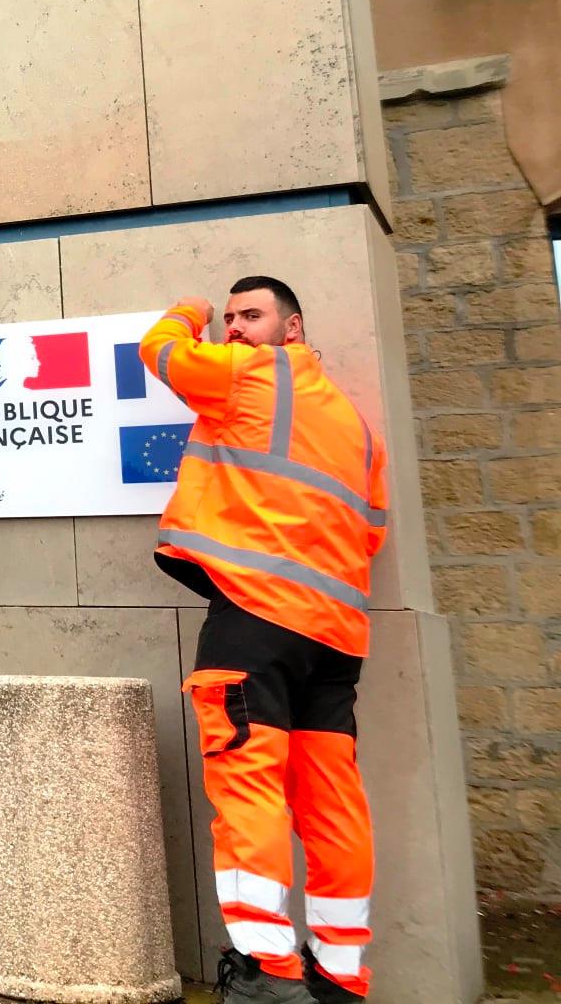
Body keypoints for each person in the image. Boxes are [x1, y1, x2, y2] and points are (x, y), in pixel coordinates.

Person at [143, 277, 387, 1004]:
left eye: (252, 316)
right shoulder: (355, 425)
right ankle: (341, 975)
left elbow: (158, 352)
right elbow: (371, 529)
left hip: (254, 618)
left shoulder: (250, 371)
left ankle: (266, 972)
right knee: (331, 802)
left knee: (247, 789)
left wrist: (190, 310)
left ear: (293, 327)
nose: (236, 328)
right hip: (336, 637)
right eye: (230, 318)